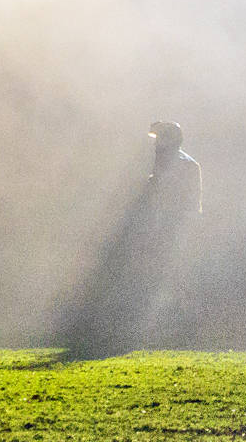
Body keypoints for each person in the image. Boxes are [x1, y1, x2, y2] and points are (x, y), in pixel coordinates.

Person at [60, 120, 204, 356]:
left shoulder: (180, 166)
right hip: (158, 235)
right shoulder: (170, 164)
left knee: (166, 285)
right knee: (151, 285)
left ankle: (177, 334)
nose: (156, 143)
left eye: (160, 138)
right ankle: (151, 335)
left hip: (167, 236)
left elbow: (182, 205)